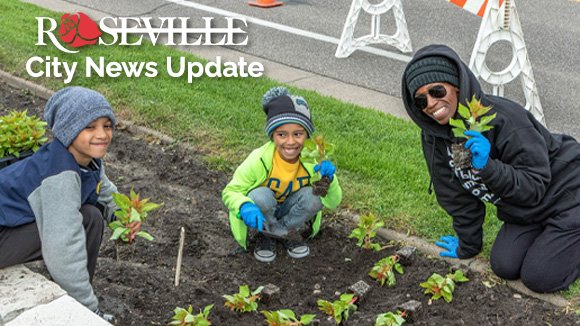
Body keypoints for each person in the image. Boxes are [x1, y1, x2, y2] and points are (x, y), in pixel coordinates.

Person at [401, 44, 580, 293]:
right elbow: (455, 193)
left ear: (456, 86)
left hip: (566, 194)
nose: (431, 103)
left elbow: (534, 186)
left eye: (437, 90)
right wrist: (468, 244)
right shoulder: (436, 136)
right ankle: (548, 234)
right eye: (421, 100)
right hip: (524, 210)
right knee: (504, 265)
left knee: (539, 277)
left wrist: (487, 167)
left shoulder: (506, 120)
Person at [0, 86, 132, 322]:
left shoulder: (84, 159)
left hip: (9, 227)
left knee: (91, 216)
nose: (102, 134)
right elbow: (63, 248)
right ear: (68, 130)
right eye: (90, 127)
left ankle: (76, 298)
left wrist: (124, 218)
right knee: (71, 232)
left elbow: (106, 193)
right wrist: (90, 309)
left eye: (107, 125)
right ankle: (79, 303)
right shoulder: (59, 177)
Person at [222, 86, 342, 263]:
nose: (290, 142)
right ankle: (268, 235)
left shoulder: (313, 160)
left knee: (314, 198)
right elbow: (230, 192)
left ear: (307, 135)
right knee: (259, 196)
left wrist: (329, 181)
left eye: (298, 134)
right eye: (282, 134)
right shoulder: (259, 159)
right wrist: (243, 206)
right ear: (272, 136)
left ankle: (279, 233)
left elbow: (332, 202)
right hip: (263, 212)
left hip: (290, 213)